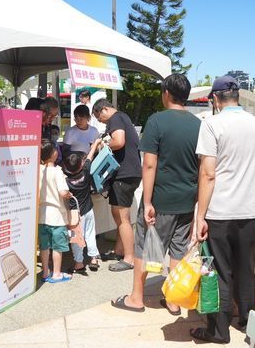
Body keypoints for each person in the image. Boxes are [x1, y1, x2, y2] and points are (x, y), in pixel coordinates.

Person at [110, 73, 201, 314]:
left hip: (160, 199)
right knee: (178, 249)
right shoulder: (198, 125)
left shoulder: (156, 121)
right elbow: (203, 167)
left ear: (167, 94)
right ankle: (172, 299)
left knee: (145, 247)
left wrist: (147, 201)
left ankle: (136, 298)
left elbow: (149, 164)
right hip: (186, 200)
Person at [192, 76, 255, 344]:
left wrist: (200, 216)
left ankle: (218, 331)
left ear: (215, 98)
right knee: (246, 269)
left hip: (220, 212)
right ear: (238, 96)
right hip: (251, 212)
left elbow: (208, 174)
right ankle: (250, 324)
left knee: (219, 271)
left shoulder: (212, 125)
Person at [92, 98, 142, 272]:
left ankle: (129, 258)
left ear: (104, 110)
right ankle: (120, 250)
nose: (100, 121)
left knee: (121, 216)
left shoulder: (116, 118)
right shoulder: (123, 117)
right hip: (131, 173)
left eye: (99, 117)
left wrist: (101, 146)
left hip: (124, 174)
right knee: (121, 215)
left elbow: (119, 141)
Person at [63, 139, 103, 273]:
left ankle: (79, 263)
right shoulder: (85, 172)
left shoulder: (66, 181)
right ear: (81, 165)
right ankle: (93, 259)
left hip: (75, 215)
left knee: (76, 238)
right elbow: (90, 156)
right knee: (90, 234)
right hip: (88, 210)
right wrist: (96, 144)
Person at [38, 139, 73, 283]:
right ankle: (57, 273)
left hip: (41, 215)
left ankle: (45, 271)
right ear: (54, 153)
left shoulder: (38, 170)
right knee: (57, 247)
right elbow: (63, 192)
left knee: (44, 246)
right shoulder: (58, 171)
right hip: (57, 216)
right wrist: (69, 194)